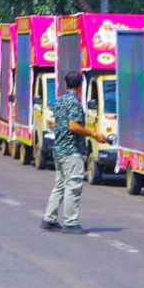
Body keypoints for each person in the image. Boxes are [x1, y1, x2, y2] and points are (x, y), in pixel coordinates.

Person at [42, 71, 100, 234]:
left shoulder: (60, 100)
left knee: (59, 186)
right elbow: (73, 126)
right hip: (71, 151)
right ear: (81, 86)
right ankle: (70, 222)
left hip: (59, 149)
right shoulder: (74, 102)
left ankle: (49, 219)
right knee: (72, 187)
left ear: (66, 84)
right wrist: (94, 134)